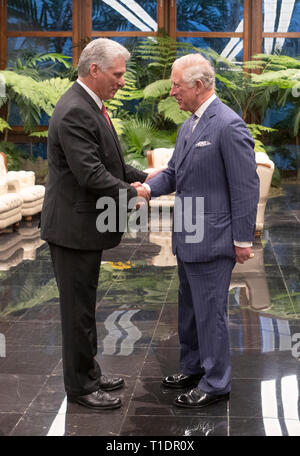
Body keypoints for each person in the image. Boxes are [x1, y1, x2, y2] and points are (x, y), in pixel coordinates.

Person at [40, 38, 154, 411]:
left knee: (85, 307)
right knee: (77, 313)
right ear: (95, 70)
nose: (122, 81)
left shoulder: (91, 105)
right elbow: (91, 174)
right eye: (118, 74)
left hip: (81, 228)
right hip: (72, 230)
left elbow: (110, 162)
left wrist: (147, 177)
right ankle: (82, 388)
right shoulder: (76, 109)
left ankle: (89, 371)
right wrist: (132, 192)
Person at [140, 53, 260, 408]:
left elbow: (245, 187)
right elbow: (173, 173)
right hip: (189, 233)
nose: (173, 91)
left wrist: (242, 240)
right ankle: (192, 366)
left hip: (215, 238)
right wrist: (147, 189)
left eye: (177, 85)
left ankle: (216, 381)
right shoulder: (188, 125)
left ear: (198, 85)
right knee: (190, 309)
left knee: (211, 312)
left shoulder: (229, 125)